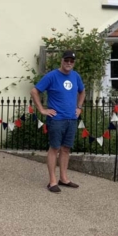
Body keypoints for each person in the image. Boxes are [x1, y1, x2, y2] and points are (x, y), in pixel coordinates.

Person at [30, 49, 85, 193]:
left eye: (71, 61)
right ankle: (52, 181)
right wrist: (42, 109)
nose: (68, 63)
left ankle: (64, 178)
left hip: (71, 119)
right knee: (54, 148)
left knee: (66, 149)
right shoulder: (52, 76)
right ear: (62, 60)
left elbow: (82, 91)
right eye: (66, 60)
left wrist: (79, 107)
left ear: (74, 63)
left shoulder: (76, 76)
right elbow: (34, 91)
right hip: (56, 119)